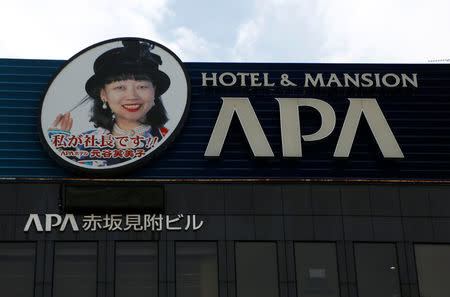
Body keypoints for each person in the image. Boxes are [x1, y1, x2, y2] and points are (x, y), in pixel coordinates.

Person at [48, 40, 171, 166]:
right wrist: (60, 147)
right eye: (120, 87)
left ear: (154, 91)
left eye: (142, 86)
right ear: (103, 94)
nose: (132, 96)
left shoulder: (169, 140)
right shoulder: (83, 144)